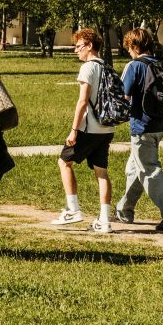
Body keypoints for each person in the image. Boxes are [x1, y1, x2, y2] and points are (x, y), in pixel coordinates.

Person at [115, 28, 163, 232]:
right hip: (158, 126)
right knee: (134, 169)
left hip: (141, 126)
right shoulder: (159, 65)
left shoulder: (135, 66)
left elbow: (123, 98)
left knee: (149, 170)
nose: (128, 51)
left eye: (129, 47)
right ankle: (124, 210)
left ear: (135, 46)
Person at [51, 27, 115, 233]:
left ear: (89, 46)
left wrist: (74, 130)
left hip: (89, 128)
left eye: (78, 46)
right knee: (101, 172)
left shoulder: (88, 68)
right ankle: (104, 220)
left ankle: (73, 209)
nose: (76, 51)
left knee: (64, 162)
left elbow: (82, 102)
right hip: (106, 128)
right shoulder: (105, 66)